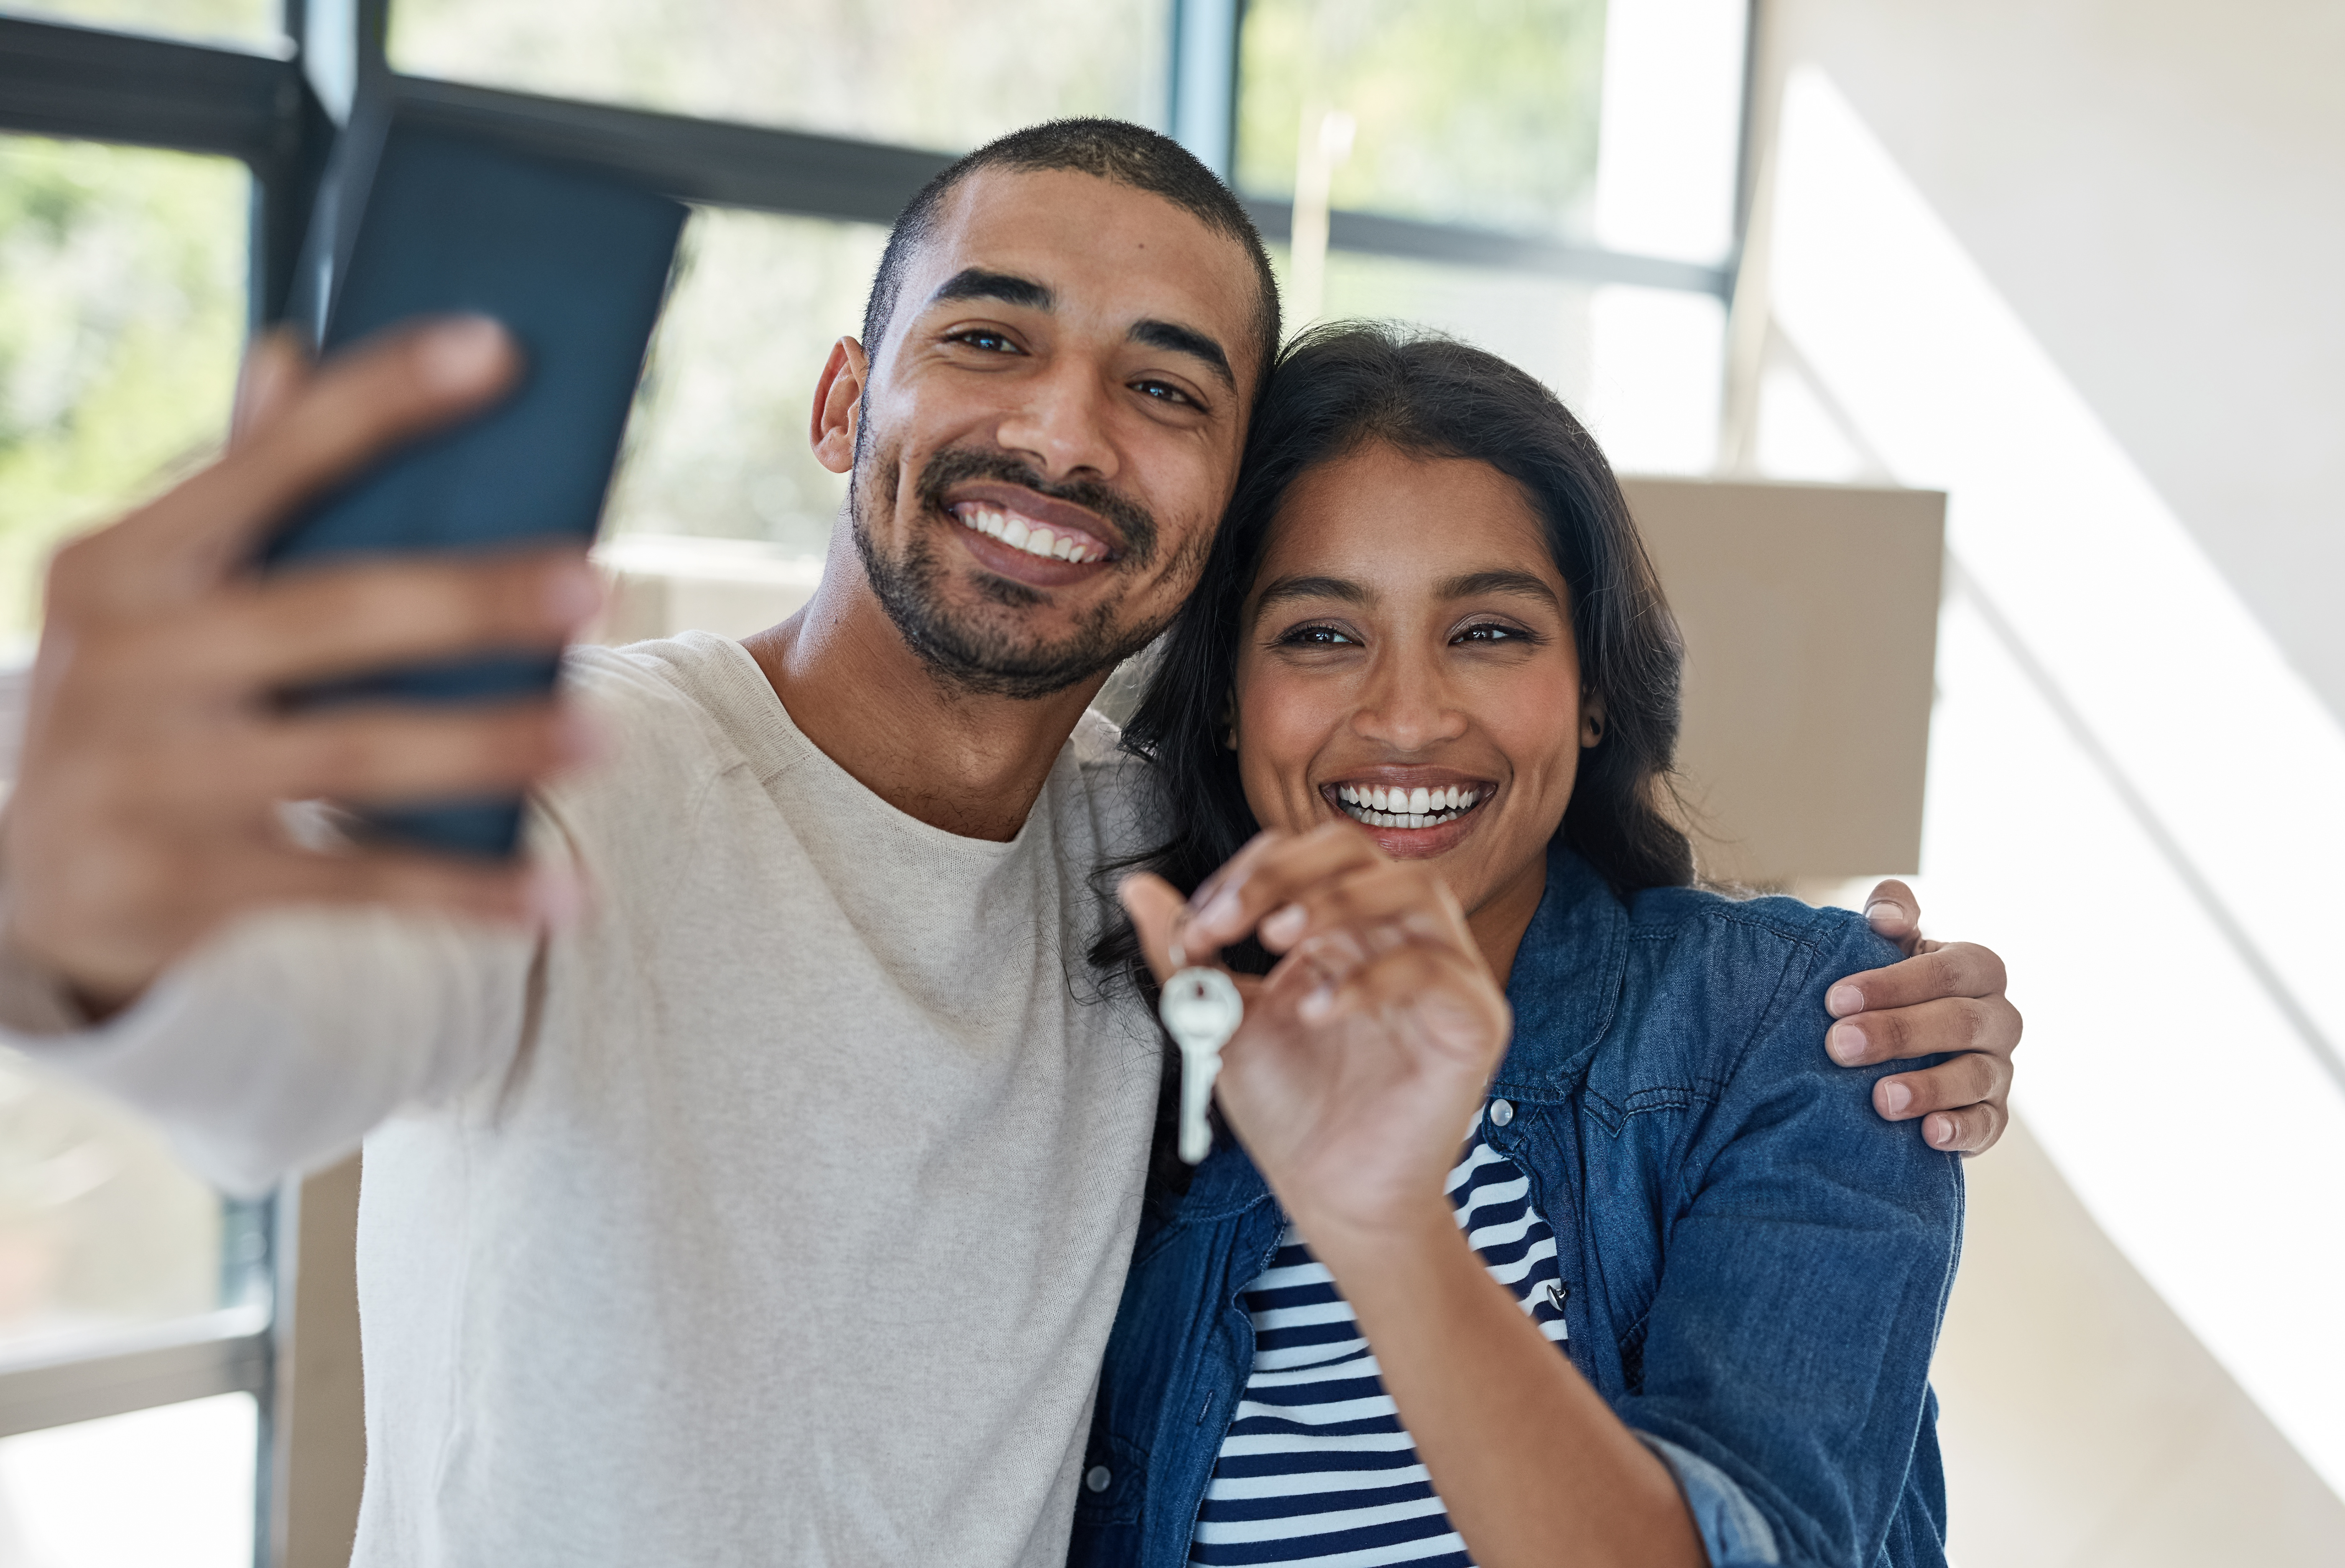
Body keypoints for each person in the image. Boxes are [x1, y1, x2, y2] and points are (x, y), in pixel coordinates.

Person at [0, 123, 2011, 1564]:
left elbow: (1483, 874)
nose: (1063, 434)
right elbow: (283, 1031)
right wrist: (84, 899)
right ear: (839, 398)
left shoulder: (1171, 896)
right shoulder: (588, 773)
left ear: (1215, 511)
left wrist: (1877, 994)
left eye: (1161, 386)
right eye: (989, 338)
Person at [1076, 324, 1965, 1568]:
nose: (1404, 716)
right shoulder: (1107, 1050)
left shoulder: (1797, 1025)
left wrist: (1387, 1231)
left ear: (1593, 683)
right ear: (1226, 695)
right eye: (1321, 634)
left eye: (1488, 630)